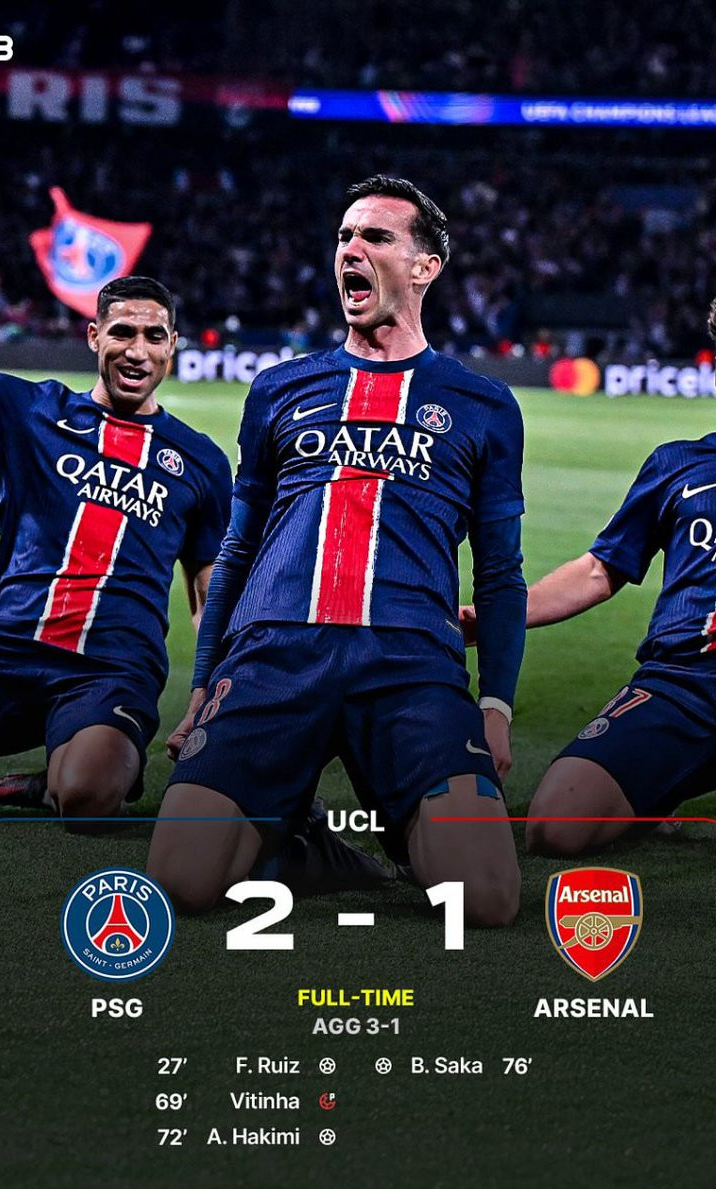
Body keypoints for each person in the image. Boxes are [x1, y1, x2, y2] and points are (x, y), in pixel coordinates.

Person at [147, 175, 526, 925]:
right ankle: (304, 843)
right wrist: (202, 685)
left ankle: (395, 824)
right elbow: (238, 547)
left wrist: (495, 705)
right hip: (276, 654)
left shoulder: (484, 405)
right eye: (345, 237)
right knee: (181, 881)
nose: (351, 249)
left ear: (425, 266)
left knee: (484, 899)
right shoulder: (281, 388)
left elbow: (500, 573)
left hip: (410, 662)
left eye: (376, 236)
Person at [0, 165, 232, 821]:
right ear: (94, 337)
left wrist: (209, 697)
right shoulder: (30, 410)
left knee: (88, 797)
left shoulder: (200, 461)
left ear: (173, 347)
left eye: (154, 336)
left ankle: (46, 782)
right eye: (122, 332)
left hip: (111, 667)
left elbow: (208, 595)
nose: (137, 350)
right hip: (0, 649)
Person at [521, 279, 716, 868]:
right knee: (552, 829)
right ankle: (663, 784)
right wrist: (500, 617)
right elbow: (599, 571)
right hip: (677, 686)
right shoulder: (676, 464)